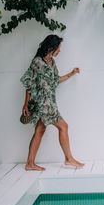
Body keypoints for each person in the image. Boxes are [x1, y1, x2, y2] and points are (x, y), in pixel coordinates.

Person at [20, 34, 84, 171]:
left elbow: (55, 80)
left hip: (50, 102)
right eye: (59, 48)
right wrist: (25, 105)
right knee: (64, 127)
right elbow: (29, 83)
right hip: (43, 104)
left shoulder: (52, 62)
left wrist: (71, 74)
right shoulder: (37, 62)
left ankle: (30, 163)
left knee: (40, 130)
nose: (60, 50)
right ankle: (68, 159)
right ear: (51, 47)